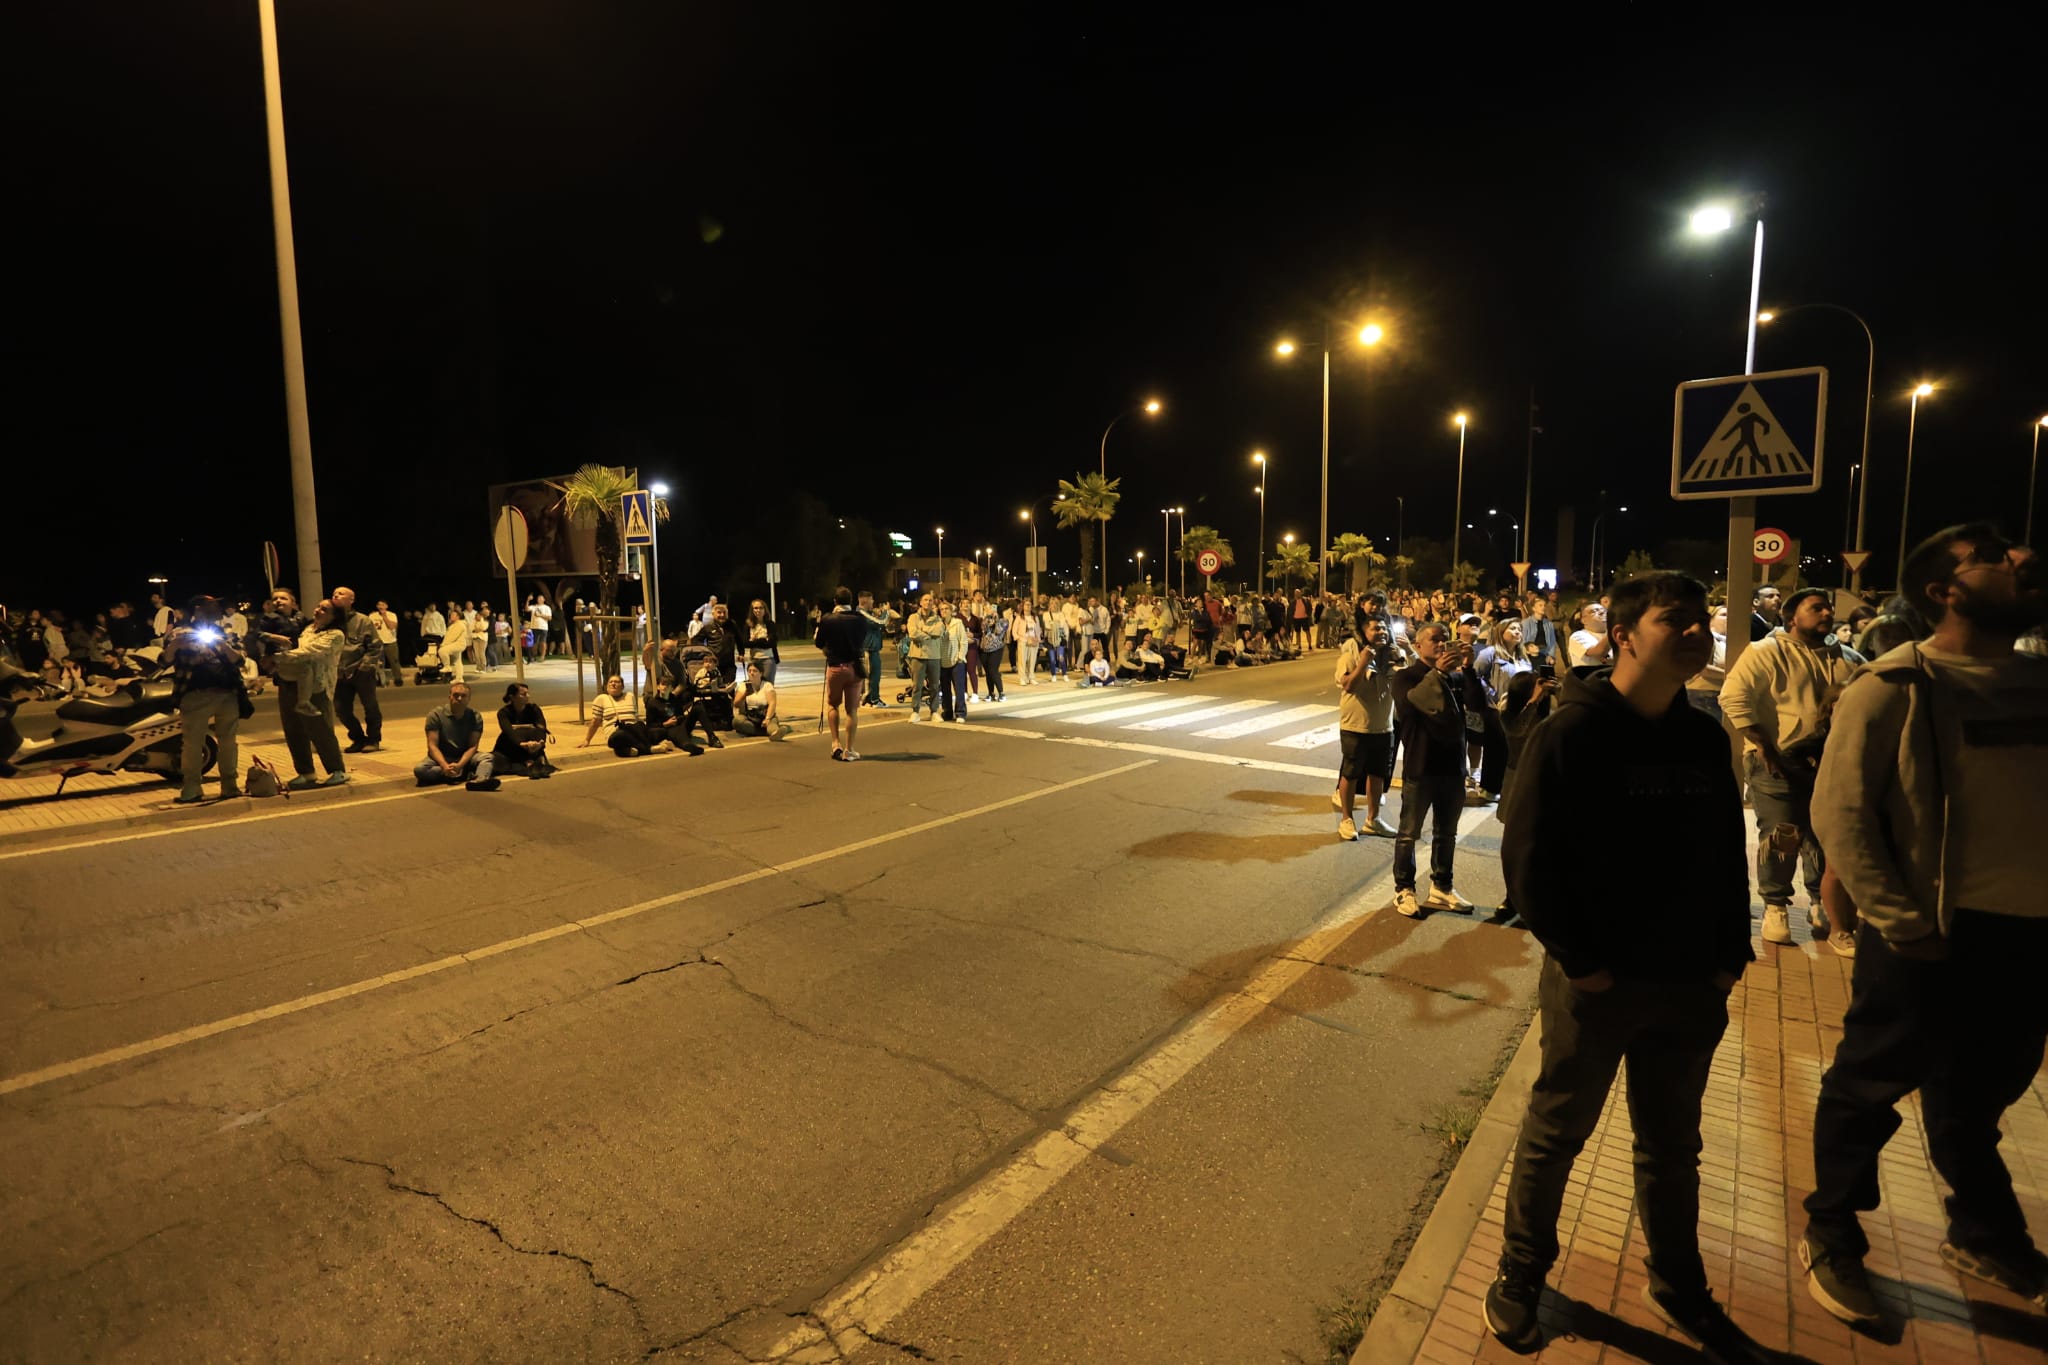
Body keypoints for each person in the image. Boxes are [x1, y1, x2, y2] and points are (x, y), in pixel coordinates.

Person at [1486, 572, 1763, 1362]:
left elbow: (1721, 858)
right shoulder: (1573, 729)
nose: (1693, 631)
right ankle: (1520, 1273)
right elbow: (1528, 860)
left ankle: (1678, 1280)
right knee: (1556, 1132)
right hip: (1597, 986)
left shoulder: (1703, 735)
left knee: (1673, 1144)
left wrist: (1726, 960)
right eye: (1674, 619)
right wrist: (1582, 964)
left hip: (1688, 987)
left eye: (1698, 619)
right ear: (1624, 636)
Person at [1800, 523, 2048, 1325]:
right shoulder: (1898, 684)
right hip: (1927, 934)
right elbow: (1840, 813)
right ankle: (1832, 1233)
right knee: (1867, 1088)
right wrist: (1900, 922)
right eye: (1993, 556)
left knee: (1978, 1095)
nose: (2021, 560)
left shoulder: (2039, 682)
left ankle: (1986, 1234)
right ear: (1945, 590)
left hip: (2023, 938)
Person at [1720, 586, 1865, 944]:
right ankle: (1776, 906)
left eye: (1829, 608)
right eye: (1816, 608)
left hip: (1830, 765)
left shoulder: (1848, 657)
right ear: (1790, 618)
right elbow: (1733, 698)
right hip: (1776, 760)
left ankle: (1820, 902)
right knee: (1782, 834)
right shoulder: (1764, 652)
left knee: (1823, 834)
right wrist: (1765, 748)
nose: (1827, 614)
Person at [1389, 622, 1476, 916]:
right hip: (1421, 766)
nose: (1441, 645)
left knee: (1446, 833)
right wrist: (1438, 673)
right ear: (1419, 645)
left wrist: (1471, 668)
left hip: (1453, 767)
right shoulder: (1405, 677)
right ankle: (1404, 889)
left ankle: (1442, 886)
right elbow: (1414, 705)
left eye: (1444, 640)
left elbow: (1478, 707)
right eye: (1434, 640)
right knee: (1408, 833)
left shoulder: (1456, 676)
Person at [164, 596, 247, 803]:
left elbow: (240, 659)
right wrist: (174, 646)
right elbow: (163, 662)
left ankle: (230, 785)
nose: (218, 607)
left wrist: (223, 647)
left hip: (227, 693)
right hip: (195, 694)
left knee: (228, 741)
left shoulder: (225, 633)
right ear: (199, 609)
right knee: (193, 743)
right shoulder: (181, 633)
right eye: (213, 604)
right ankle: (191, 788)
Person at [1333, 614, 1406, 841]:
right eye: (1375, 629)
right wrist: (1364, 661)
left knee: (1378, 775)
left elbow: (1410, 679)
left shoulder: (1393, 656)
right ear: (1364, 632)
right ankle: (1347, 819)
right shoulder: (1350, 656)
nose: (1381, 632)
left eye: (1384, 628)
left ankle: (1373, 820)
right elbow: (1349, 686)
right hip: (1355, 726)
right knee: (1351, 773)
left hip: (1383, 727)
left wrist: (1408, 651)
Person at [271, 598, 349, 789]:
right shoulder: (307, 630)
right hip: (291, 684)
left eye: (325, 609)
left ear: (334, 616)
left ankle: (337, 770)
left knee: (320, 730)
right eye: (318, 607)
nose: (318, 610)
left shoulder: (335, 635)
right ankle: (306, 772)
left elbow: (310, 652)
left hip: (316, 687)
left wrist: (278, 658)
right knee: (293, 730)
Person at [330, 586, 385, 755]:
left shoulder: (363, 621)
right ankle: (358, 738)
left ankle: (373, 739)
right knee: (341, 709)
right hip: (339, 673)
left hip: (361, 671)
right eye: (334, 594)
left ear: (351, 600)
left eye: (341, 594)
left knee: (370, 707)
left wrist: (365, 666)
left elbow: (375, 646)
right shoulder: (330, 620)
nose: (336, 596)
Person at [415, 681, 498, 790]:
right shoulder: (435, 715)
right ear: (449, 697)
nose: (459, 699)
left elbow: (473, 746)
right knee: (420, 769)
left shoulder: (475, 716)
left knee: (487, 757)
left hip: (464, 757)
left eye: (463, 696)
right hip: (442, 756)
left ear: (469, 699)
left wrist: (460, 765)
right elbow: (432, 746)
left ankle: (480, 780)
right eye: (456, 695)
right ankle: (461, 774)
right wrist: (444, 766)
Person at [814, 586, 866, 759]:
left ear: (835, 601)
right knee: (851, 710)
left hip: (835, 667)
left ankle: (835, 743)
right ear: (850, 601)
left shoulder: (828, 619)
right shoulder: (860, 619)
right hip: (854, 668)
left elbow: (819, 643)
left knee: (833, 705)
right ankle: (849, 749)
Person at [491, 681, 554, 777]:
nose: (528, 696)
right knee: (497, 763)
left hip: (533, 745)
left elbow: (541, 727)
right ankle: (528, 764)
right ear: (512, 696)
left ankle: (533, 762)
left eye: (528, 693)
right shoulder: (503, 713)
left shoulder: (534, 709)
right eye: (523, 694)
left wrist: (540, 743)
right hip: (512, 746)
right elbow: (508, 731)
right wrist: (521, 744)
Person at [580, 674, 652, 755]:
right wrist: (587, 740)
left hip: (633, 731)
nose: (613, 684)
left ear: (622, 686)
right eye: (611, 682)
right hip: (616, 734)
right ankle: (648, 749)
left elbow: (635, 716)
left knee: (644, 727)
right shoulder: (601, 699)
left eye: (617, 682)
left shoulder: (629, 696)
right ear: (606, 687)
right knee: (620, 735)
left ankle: (629, 750)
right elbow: (595, 722)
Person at [1683, 603, 1730, 719]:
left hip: (1720, 695)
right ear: (1711, 620)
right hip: (1703, 696)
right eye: (1724, 615)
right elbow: (1703, 668)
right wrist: (1731, 676)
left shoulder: (1727, 642)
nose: (1728, 618)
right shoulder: (1707, 639)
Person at [904, 593, 943, 722]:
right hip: (917, 655)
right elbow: (913, 633)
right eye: (925, 600)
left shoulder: (938, 619)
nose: (928, 602)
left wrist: (923, 629)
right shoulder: (913, 617)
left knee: (934, 685)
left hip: (934, 655)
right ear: (920, 602)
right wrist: (928, 635)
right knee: (917, 685)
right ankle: (915, 711)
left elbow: (939, 632)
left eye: (930, 600)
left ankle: (934, 711)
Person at [733, 659, 787, 740]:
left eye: (755, 671)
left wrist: (767, 718)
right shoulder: (743, 685)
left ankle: (774, 732)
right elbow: (736, 704)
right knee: (737, 721)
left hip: (764, 715)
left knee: (771, 724)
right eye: (749, 671)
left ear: (761, 673)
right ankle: (764, 732)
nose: (752, 673)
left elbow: (772, 703)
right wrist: (745, 695)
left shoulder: (767, 685)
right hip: (750, 717)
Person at [857, 591, 892, 707]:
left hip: (872, 648)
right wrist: (886, 612)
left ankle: (871, 697)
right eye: (871, 600)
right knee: (873, 675)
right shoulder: (862, 613)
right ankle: (873, 699)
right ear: (865, 601)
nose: (873, 602)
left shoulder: (867, 613)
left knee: (874, 675)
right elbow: (880, 622)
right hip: (869, 648)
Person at [938, 599, 970, 721]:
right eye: (942, 609)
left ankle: (960, 713)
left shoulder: (958, 623)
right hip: (943, 661)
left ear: (951, 611)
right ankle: (947, 712)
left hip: (957, 662)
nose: (944, 611)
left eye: (946, 609)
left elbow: (963, 641)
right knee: (945, 690)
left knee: (959, 689)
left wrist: (960, 657)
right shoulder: (938, 625)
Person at [1565, 600, 1612, 668]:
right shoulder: (1578, 636)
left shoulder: (1615, 634)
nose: (1602, 612)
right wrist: (1613, 629)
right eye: (1593, 611)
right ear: (1583, 620)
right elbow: (1599, 653)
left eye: (1604, 610)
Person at [742, 599, 779, 682]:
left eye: (761, 608)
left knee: (767, 685)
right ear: (752, 610)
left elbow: (772, 643)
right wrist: (762, 640)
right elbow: (745, 643)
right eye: (755, 608)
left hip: (768, 659)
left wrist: (754, 641)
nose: (758, 610)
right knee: (755, 685)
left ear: (765, 610)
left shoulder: (770, 624)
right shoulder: (748, 625)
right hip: (754, 659)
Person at [372, 600, 402, 685]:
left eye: (383, 604)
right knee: (379, 663)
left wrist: (384, 616)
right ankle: (381, 680)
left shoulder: (392, 615)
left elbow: (392, 627)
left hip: (390, 641)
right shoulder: (372, 616)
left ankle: (398, 679)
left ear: (386, 606)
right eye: (379, 605)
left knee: (394, 661)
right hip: (378, 642)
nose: (381, 606)